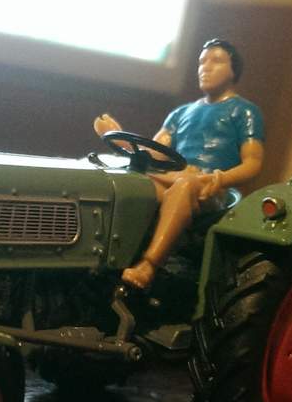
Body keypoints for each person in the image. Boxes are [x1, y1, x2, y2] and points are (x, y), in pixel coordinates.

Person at [94, 39, 265, 289]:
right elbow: (155, 153)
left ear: (233, 70)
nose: (205, 67)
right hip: (175, 178)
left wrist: (218, 179)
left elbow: (253, 163)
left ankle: (149, 265)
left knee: (185, 185)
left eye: (216, 61)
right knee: (130, 184)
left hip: (211, 191)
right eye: (202, 62)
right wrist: (122, 140)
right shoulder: (181, 113)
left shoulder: (244, 111)